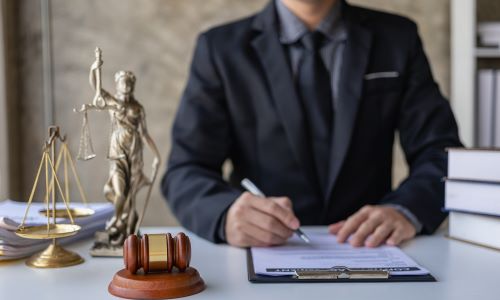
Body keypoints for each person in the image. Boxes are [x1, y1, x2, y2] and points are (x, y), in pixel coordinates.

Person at [162, 0, 462, 248]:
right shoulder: (221, 49)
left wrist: (405, 210)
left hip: (370, 251)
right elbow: (185, 170)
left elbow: (441, 152)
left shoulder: (397, 38)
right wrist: (225, 214)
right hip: (265, 257)